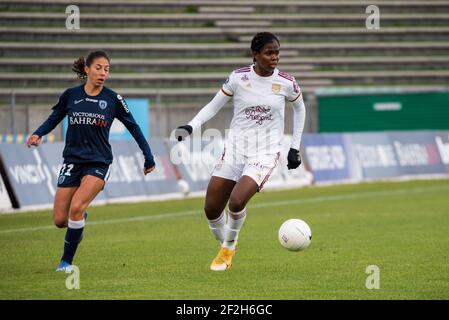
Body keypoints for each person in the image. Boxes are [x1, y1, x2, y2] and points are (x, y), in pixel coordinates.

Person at [175, 32, 306, 271]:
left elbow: (300, 109)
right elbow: (214, 105)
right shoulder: (238, 78)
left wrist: (294, 147)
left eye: (277, 52)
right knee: (211, 209)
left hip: (264, 153)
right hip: (235, 150)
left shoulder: (287, 82)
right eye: (269, 53)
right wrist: (191, 126)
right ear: (255, 55)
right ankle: (227, 244)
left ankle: (228, 249)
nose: (274, 57)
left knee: (236, 201)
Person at [27, 51, 155, 272]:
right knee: (60, 220)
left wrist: (148, 155)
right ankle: (80, 219)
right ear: (86, 69)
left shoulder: (113, 99)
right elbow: (54, 118)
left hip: (98, 162)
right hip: (72, 161)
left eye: (107, 69)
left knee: (75, 207)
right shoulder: (70, 95)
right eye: (98, 68)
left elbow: (133, 127)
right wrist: (38, 133)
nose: (103, 73)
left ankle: (66, 262)